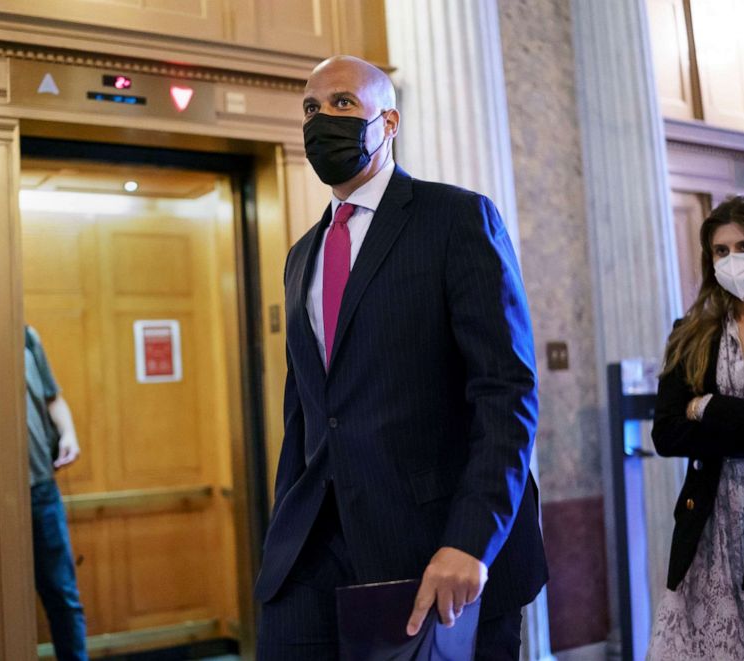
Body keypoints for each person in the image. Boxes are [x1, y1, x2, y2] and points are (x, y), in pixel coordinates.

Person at [254, 55, 547, 660]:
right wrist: (282, 525)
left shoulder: (457, 218)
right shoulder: (301, 255)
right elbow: (305, 411)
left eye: (340, 104)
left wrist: (472, 539)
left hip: (434, 544)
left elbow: (505, 391)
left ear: (387, 123)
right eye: (310, 108)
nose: (320, 120)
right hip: (312, 550)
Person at [648, 196, 744, 660]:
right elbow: (667, 433)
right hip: (711, 526)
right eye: (721, 250)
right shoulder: (691, 331)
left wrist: (707, 407)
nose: (734, 260)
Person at [25, 325, 88, 661]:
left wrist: (69, 435)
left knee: (63, 596)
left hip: (41, 491)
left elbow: (53, 398)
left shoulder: (26, 337)